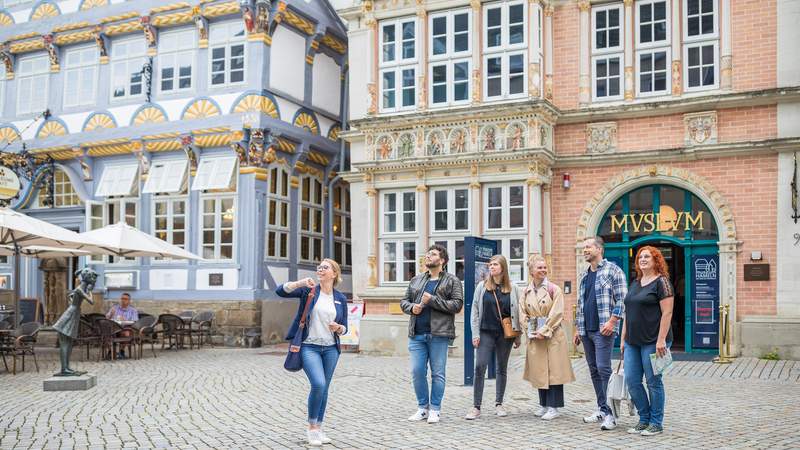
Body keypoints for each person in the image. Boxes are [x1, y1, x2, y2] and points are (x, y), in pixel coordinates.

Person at [276, 259, 349, 446]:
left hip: (331, 348)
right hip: (309, 346)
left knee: (325, 388)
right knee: (318, 383)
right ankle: (312, 428)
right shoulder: (309, 291)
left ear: (334, 273)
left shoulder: (340, 298)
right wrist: (300, 283)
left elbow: (345, 327)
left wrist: (339, 328)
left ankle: (320, 426)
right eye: (320, 267)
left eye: (325, 267)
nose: (320, 269)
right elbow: (280, 291)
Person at [401, 244, 464, 424]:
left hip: (439, 334)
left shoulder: (452, 281)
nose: (428, 256)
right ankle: (422, 408)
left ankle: (435, 409)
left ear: (442, 260)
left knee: (438, 374)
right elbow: (404, 301)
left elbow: (457, 305)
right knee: (417, 371)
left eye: (433, 254)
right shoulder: (416, 280)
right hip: (417, 334)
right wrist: (412, 307)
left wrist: (433, 300)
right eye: (428, 253)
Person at [573, 236, 627, 430]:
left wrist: (613, 321)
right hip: (586, 330)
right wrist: (578, 329)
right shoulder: (585, 274)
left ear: (599, 249)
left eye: (588, 247)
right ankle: (602, 408)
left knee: (604, 369)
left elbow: (622, 299)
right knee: (594, 370)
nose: (585, 250)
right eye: (584, 247)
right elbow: (581, 304)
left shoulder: (613, 270)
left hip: (603, 329)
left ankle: (611, 416)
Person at [621, 246, 674, 436]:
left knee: (653, 381)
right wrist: (623, 337)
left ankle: (656, 422)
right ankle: (644, 419)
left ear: (656, 260)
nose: (643, 259)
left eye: (647, 257)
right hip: (632, 342)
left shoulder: (662, 282)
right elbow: (628, 311)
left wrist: (661, 340)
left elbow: (667, 312)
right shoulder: (636, 282)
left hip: (653, 341)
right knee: (632, 381)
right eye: (640, 257)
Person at [465, 255, 521, 420]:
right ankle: (476, 406)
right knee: (480, 366)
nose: (492, 267)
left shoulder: (513, 288)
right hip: (485, 331)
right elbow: (474, 310)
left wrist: (518, 336)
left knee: (501, 368)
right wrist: (475, 334)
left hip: (506, 334)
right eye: (490, 264)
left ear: (503, 267)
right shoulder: (482, 286)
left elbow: (518, 312)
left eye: (495, 264)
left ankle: (499, 403)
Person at [520, 255, 575, 421]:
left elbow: (557, 312)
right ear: (531, 271)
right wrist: (528, 329)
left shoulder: (554, 289)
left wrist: (544, 329)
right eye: (539, 268)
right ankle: (543, 404)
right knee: (539, 371)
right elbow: (522, 313)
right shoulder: (526, 291)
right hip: (535, 336)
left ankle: (554, 406)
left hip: (552, 336)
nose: (543, 270)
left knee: (554, 372)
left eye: (545, 267)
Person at [105, 292, 139, 359]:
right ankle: (110, 352)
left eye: (125, 299)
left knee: (126, 333)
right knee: (105, 332)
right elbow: (106, 318)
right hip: (113, 328)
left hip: (125, 328)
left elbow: (135, 321)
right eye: (122, 298)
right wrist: (111, 314)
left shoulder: (133, 310)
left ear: (129, 301)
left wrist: (124, 319)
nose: (123, 300)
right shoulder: (115, 308)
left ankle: (122, 351)